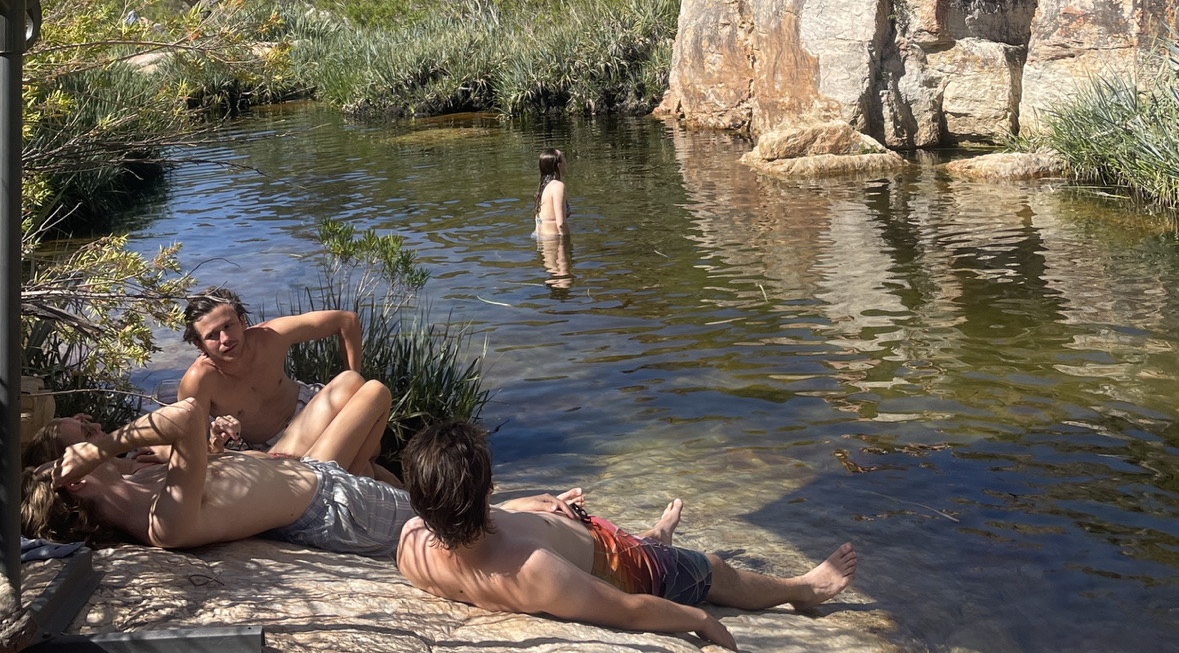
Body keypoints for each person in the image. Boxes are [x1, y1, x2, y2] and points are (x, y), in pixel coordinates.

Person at [396, 420, 857, 651]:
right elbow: (628, 609)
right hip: (622, 567)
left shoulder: (412, 543)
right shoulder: (530, 569)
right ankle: (803, 590)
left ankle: (656, 535)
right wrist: (700, 621)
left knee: (615, 531)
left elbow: (468, 520)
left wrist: (531, 506)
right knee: (713, 567)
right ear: (484, 489)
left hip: (593, 541)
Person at [22, 386, 411, 554]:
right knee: (456, 522)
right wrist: (102, 448)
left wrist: (216, 447)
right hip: (335, 508)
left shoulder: (139, 479)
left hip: (320, 478)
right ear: (75, 481)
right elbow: (187, 412)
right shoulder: (163, 526)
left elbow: (190, 436)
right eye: (78, 450)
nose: (93, 442)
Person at [177, 285, 363, 450]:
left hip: (313, 405)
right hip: (277, 446)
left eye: (228, 326)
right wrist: (217, 441)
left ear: (242, 322)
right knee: (364, 467)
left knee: (369, 445)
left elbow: (347, 321)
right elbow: (196, 449)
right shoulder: (199, 381)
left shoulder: (270, 336)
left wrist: (356, 380)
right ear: (199, 344)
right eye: (213, 336)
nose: (225, 339)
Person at [533, 149, 569, 235]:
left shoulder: (544, 187)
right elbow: (561, 224)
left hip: (540, 237)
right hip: (552, 240)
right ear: (559, 165)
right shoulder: (558, 186)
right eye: (564, 158)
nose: (566, 161)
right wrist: (566, 245)